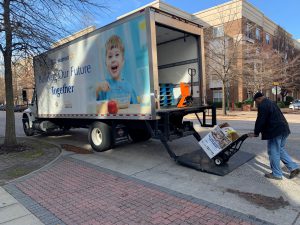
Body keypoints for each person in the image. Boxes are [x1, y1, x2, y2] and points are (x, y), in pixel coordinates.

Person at [248, 92, 300, 180]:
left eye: (256, 101)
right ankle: (294, 168)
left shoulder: (263, 105)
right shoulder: (271, 102)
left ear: (259, 99)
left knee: (273, 152)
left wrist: (256, 132)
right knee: (280, 150)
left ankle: (276, 174)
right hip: (284, 129)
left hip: (275, 132)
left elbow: (261, 120)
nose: (256, 103)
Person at [96, 35, 138, 106]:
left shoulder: (129, 88)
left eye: (117, 55)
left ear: (123, 61)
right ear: (106, 63)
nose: (113, 59)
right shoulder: (104, 86)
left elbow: (137, 109)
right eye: (110, 56)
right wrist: (98, 88)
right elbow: (91, 103)